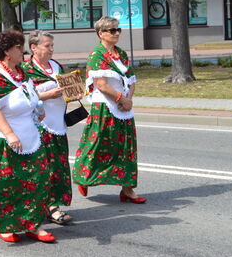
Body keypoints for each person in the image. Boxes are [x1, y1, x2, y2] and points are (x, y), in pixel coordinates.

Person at [0, 30, 55, 244]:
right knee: (7, 184)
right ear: (6, 52)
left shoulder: (21, 72)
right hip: (2, 138)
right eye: (17, 47)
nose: (21, 51)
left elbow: (31, 95)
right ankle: (7, 226)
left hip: (30, 134)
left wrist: (38, 108)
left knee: (38, 179)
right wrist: (10, 134)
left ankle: (33, 224)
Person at [75, 17, 145, 203]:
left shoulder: (121, 53)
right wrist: (121, 99)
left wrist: (128, 100)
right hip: (105, 107)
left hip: (123, 107)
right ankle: (85, 177)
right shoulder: (97, 54)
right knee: (98, 145)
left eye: (117, 29)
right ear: (101, 34)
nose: (116, 33)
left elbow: (131, 80)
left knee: (126, 148)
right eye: (111, 30)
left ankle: (128, 189)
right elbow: (102, 85)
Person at [24, 31, 73, 225]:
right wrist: (47, 95)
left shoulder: (56, 66)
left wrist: (73, 90)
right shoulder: (26, 69)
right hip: (39, 125)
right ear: (34, 48)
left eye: (52, 45)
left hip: (58, 122)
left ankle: (51, 203)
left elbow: (67, 87)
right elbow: (24, 96)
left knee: (59, 166)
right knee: (45, 167)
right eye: (47, 46)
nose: (51, 49)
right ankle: (50, 207)